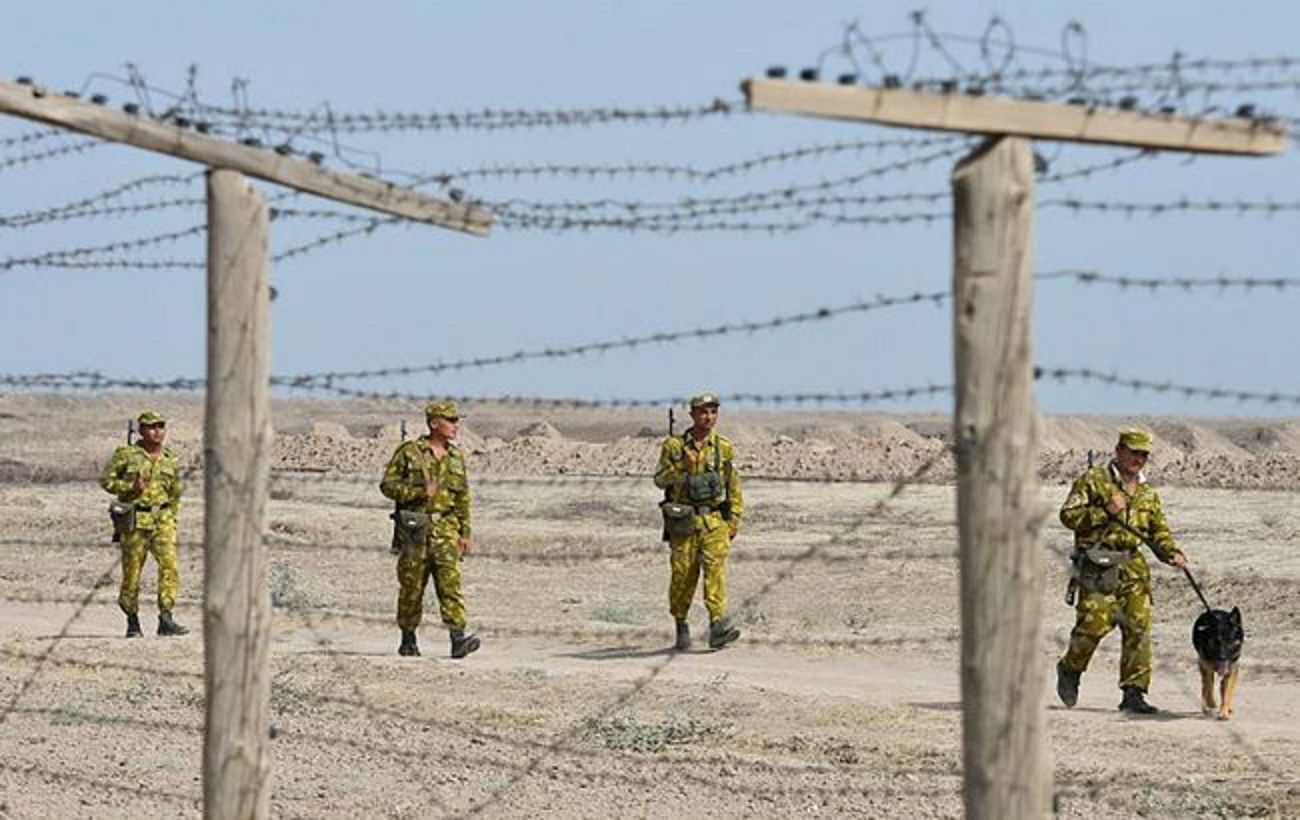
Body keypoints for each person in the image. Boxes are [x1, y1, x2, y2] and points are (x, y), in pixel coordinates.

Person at [1055, 428, 1187, 714]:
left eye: (1144, 455)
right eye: (1134, 452)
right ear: (1119, 450)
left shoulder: (1147, 492)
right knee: (1092, 627)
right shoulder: (1093, 480)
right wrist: (1105, 512)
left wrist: (1171, 552)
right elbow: (1068, 516)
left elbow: (1158, 530)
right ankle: (1070, 668)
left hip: (1133, 568)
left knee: (1138, 628)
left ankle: (1133, 693)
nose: (1139, 459)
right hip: (1098, 566)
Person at [380, 400, 479, 659]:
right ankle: (408, 639)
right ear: (434, 423)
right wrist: (418, 492)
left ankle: (458, 639)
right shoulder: (410, 452)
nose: (456, 425)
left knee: (450, 585)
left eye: (457, 420)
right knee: (412, 587)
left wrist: (465, 534)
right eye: (451, 420)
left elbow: (463, 498)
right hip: (416, 529)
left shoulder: (456, 457)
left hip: (446, 529)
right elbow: (387, 486)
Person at [654, 392, 745, 651]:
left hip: (714, 521)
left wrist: (734, 519)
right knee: (683, 576)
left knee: (715, 573)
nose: (708, 417)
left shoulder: (723, 447)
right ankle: (681, 623)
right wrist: (681, 466)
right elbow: (660, 480)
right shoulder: (674, 446)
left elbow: (733, 486)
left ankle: (717, 626)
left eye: (713, 412)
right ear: (692, 414)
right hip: (684, 522)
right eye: (703, 412)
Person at [99, 410, 189, 638]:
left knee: (170, 567)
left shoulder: (170, 459)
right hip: (136, 522)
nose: (157, 431)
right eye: (151, 427)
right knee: (132, 573)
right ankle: (132, 620)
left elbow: (175, 492)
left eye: (161, 426)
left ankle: (166, 617)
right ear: (141, 430)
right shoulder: (126, 455)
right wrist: (130, 487)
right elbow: (106, 481)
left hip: (162, 521)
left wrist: (173, 518)